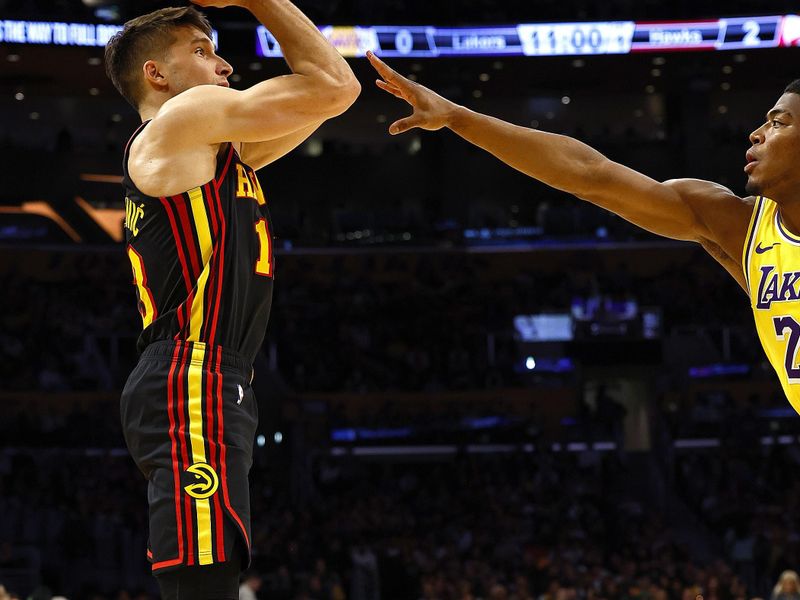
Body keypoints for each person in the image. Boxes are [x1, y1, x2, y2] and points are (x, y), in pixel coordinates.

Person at [367, 50, 800, 411]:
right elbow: (590, 176)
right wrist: (457, 118)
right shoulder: (742, 226)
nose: (757, 133)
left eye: (779, 123)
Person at [104, 1, 359, 597]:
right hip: (191, 369)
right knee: (204, 581)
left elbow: (329, 96)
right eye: (200, 50)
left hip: (210, 373)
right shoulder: (179, 120)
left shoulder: (210, 153)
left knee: (212, 571)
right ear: (156, 75)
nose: (223, 65)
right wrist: (260, 1)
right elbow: (334, 87)